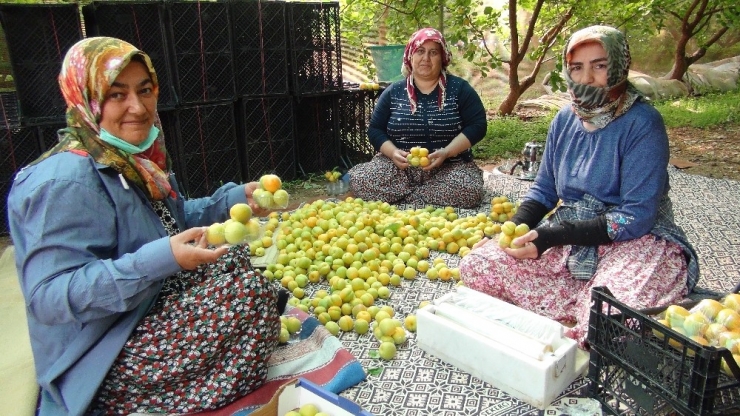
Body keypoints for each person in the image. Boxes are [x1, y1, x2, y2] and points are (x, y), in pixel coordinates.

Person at [6, 37, 287, 414]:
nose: (137, 108)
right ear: (86, 98)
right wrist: (163, 257)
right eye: (117, 95)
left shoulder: (130, 159)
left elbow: (173, 219)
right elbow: (50, 297)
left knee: (233, 262)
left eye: (144, 90)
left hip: (141, 307)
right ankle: (139, 401)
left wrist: (234, 200)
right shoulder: (63, 181)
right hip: (102, 353)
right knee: (247, 294)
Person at [459, 26, 699, 347]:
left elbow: (635, 216)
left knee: (610, 318)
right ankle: (582, 297)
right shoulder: (563, 120)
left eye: (599, 65)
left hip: (631, 239)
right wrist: (515, 228)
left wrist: (551, 237)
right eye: (577, 67)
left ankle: (591, 300)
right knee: (478, 266)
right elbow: (544, 191)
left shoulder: (643, 123)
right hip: (572, 235)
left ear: (618, 67)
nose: (586, 78)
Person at [349, 27, 487, 208]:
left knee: (468, 190)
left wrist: (447, 152)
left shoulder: (460, 89)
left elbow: (477, 125)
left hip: (450, 166)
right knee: (360, 181)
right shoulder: (394, 91)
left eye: (433, 53)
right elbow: (375, 129)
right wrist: (392, 153)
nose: (426, 58)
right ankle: (427, 196)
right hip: (398, 168)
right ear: (410, 57)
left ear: (443, 58)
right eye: (420, 51)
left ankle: (403, 197)